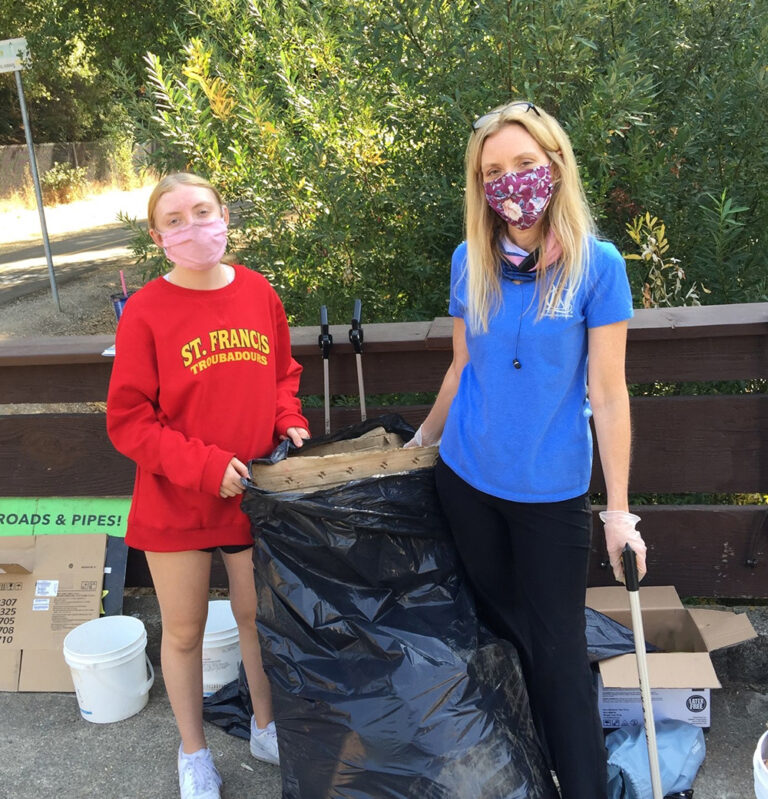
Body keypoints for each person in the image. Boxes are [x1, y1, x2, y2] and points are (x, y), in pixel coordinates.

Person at [406, 101, 648, 799]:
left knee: (561, 656)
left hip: (549, 495)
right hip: (467, 480)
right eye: (493, 171)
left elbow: (608, 394)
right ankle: (519, 764)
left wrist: (619, 511)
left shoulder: (598, 266)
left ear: (555, 166)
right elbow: (462, 368)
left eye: (523, 165)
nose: (510, 182)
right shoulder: (470, 259)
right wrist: (422, 442)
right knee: (499, 630)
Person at [107, 173, 309, 799]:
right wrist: (201, 467)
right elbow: (129, 419)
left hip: (252, 494)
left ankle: (265, 723)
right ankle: (193, 753)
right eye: (175, 219)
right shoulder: (145, 311)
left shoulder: (257, 292)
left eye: (203, 211)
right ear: (157, 235)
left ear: (225, 214)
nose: (193, 227)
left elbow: (282, 373)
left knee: (256, 618)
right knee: (185, 630)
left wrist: (289, 420)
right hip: (177, 500)